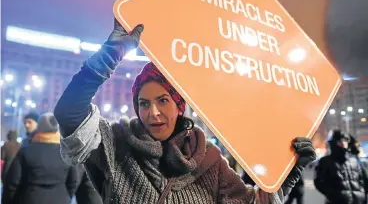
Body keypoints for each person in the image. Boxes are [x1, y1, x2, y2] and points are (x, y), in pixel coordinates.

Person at [54, 18, 316, 203]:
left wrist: (286, 175)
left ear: (180, 106)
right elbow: (69, 113)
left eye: (163, 100)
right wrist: (110, 54)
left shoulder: (209, 160)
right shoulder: (115, 144)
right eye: (143, 103)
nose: (153, 112)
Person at [2, 113, 79, 204]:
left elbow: (12, 182)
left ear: (39, 127)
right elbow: (73, 181)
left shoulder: (26, 151)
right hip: (59, 199)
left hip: (30, 198)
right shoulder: (67, 153)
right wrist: (65, 197)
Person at [314, 129, 368, 204]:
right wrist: (333, 195)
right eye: (339, 141)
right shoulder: (326, 161)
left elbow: (363, 180)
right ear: (334, 143)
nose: (343, 143)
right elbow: (319, 182)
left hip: (358, 201)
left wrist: (363, 195)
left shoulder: (354, 160)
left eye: (345, 140)